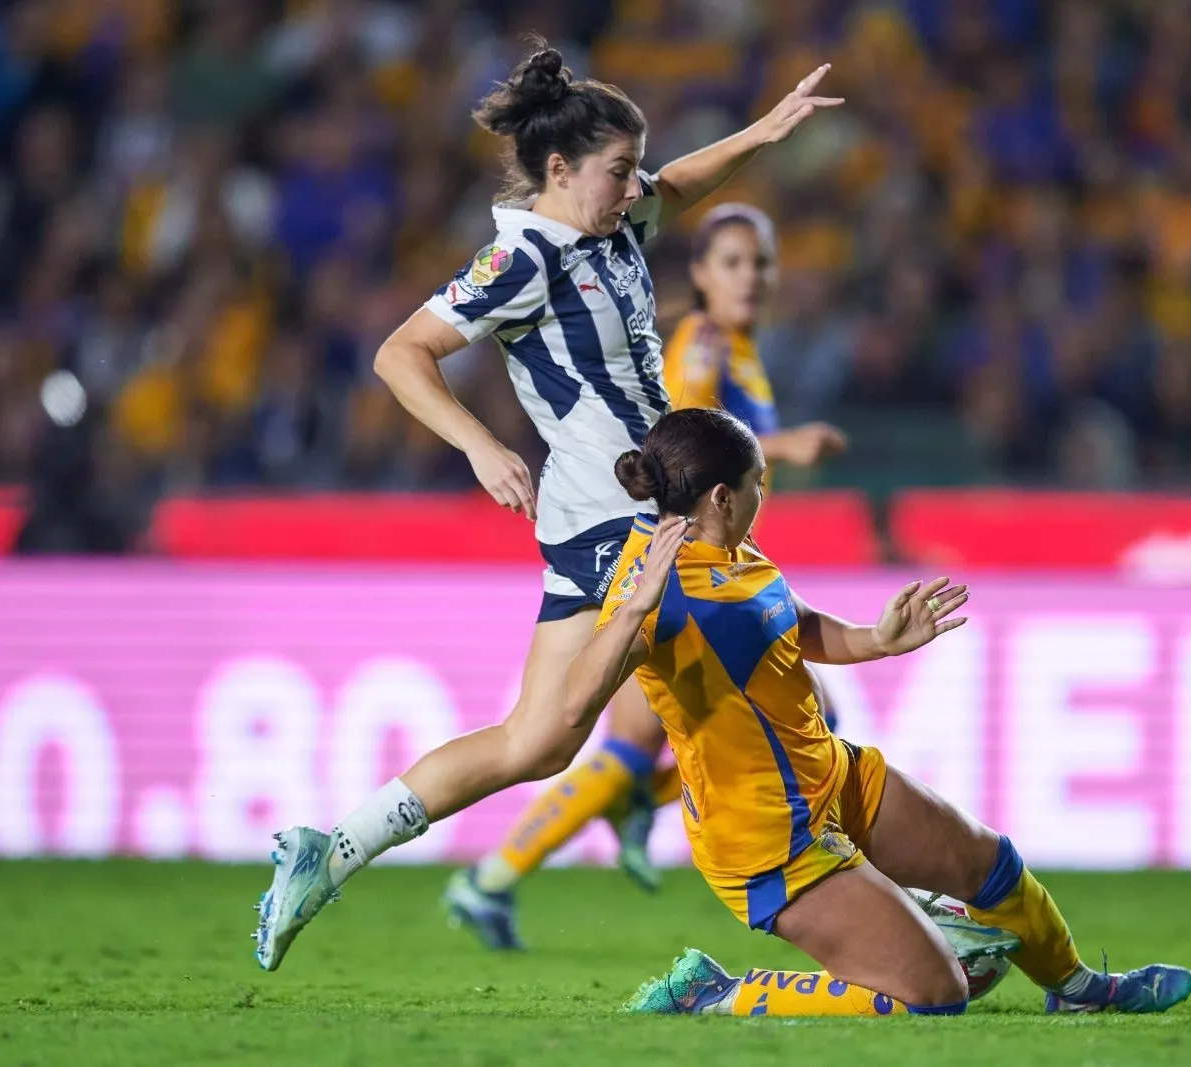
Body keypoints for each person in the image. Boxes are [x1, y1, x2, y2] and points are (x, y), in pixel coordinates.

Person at [251, 41, 844, 971]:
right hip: (624, 519)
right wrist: (483, 446)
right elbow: (401, 353)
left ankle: (331, 851)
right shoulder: (522, 255)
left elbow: (677, 183)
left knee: (541, 739)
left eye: (635, 168)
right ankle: (899, 900)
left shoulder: (607, 226)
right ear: (559, 170)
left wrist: (765, 131)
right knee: (765, 680)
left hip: (603, 517)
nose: (634, 185)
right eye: (617, 171)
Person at [563, 407, 1191, 1017]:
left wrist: (878, 640)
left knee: (991, 866)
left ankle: (1078, 987)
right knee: (935, 993)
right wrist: (633, 607)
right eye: (760, 485)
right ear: (722, 496)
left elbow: (795, 627)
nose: (766, 496)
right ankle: (714, 992)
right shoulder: (652, 586)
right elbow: (573, 705)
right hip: (765, 838)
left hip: (833, 778)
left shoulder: (740, 553)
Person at [447, 204, 848, 944]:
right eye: (731, 262)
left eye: (760, 262)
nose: (750, 277)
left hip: (711, 567)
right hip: (673, 568)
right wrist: (785, 446)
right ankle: (495, 873)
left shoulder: (741, 349)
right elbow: (685, 442)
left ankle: (507, 870)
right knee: (646, 741)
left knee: (646, 746)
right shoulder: (701, 346)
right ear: (698, 274)